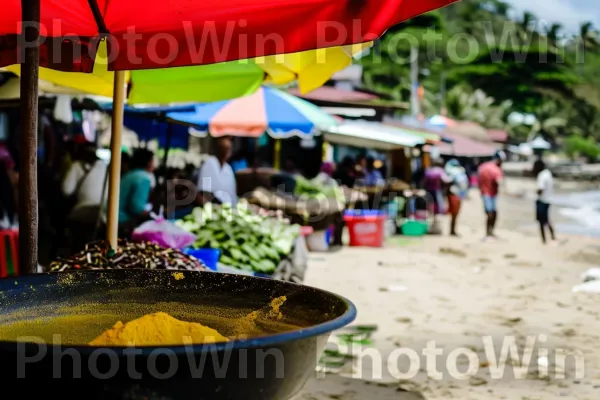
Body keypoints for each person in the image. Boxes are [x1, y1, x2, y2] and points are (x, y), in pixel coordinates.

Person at [61, 141, 108, 251]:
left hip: (80, 213)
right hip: (101, 215)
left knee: (76, 246)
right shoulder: (106, 168)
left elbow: (66, 190)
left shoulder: (77, 165)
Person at [118, 149, 155, 236]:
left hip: (111, 217)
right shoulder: (144, 178)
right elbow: (136, 208)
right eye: (153, 161)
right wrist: (153, 215)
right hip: (121, 221)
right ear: (148, 162)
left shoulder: (131, 174)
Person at [197, 137, 237, 205]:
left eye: (228, 149)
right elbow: (203, 193)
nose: (227, 152)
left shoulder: (228, 168)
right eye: (225, 149)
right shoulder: (210, 164)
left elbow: (233, 194)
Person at [478, 151, 505, 239]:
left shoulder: (483, 166)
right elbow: (500, 182)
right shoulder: (496, 169)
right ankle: (489, 232)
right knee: (491, 213)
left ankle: (489, 232)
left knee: (491, 213)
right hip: (490, 194)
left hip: (484, 192)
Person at [533, 159, 556, 244]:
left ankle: (544, 240)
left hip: (542, 200)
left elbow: (541, 189)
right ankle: (553, 237)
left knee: (542, 222)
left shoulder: (542, 175)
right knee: (546, 220)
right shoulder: (548, 173)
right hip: (548, 199)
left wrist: (535, 192)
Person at [445, 159, 469, 236]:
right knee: (454, 213)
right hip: (454, 194)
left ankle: (453, 230)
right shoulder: (453, 172)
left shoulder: (457, 172)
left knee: (455, 214)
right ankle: (452, 231)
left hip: (458, 195)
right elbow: (447, 182)